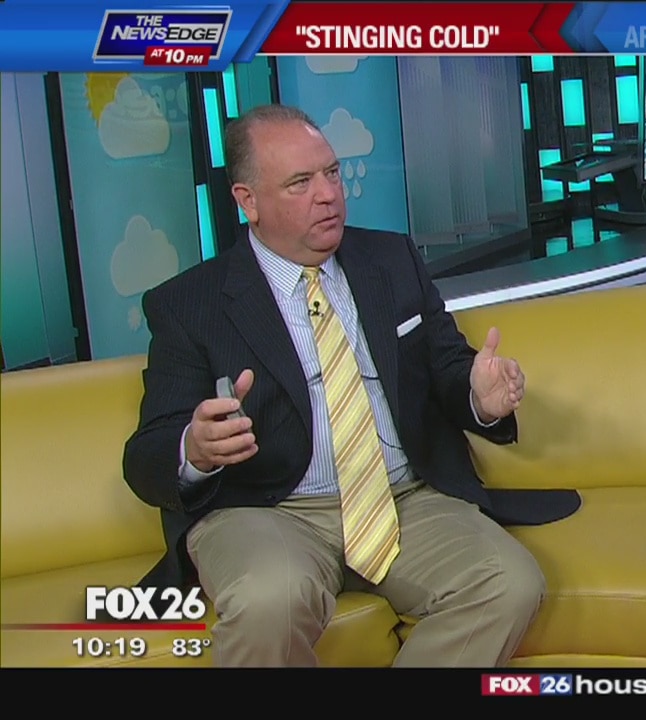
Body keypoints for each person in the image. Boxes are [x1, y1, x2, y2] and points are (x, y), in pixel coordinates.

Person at [121, 103, 580, 667]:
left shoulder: (392, 259)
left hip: (403, 497)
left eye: (332, 173)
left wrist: (478, 398)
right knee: (268, 601)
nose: (328, 195)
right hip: (267, 509)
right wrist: (194, 450)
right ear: (248, 201)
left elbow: (448, 367)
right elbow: (147, 452)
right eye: (300, 183)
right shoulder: (190, 304)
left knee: (508, 583)